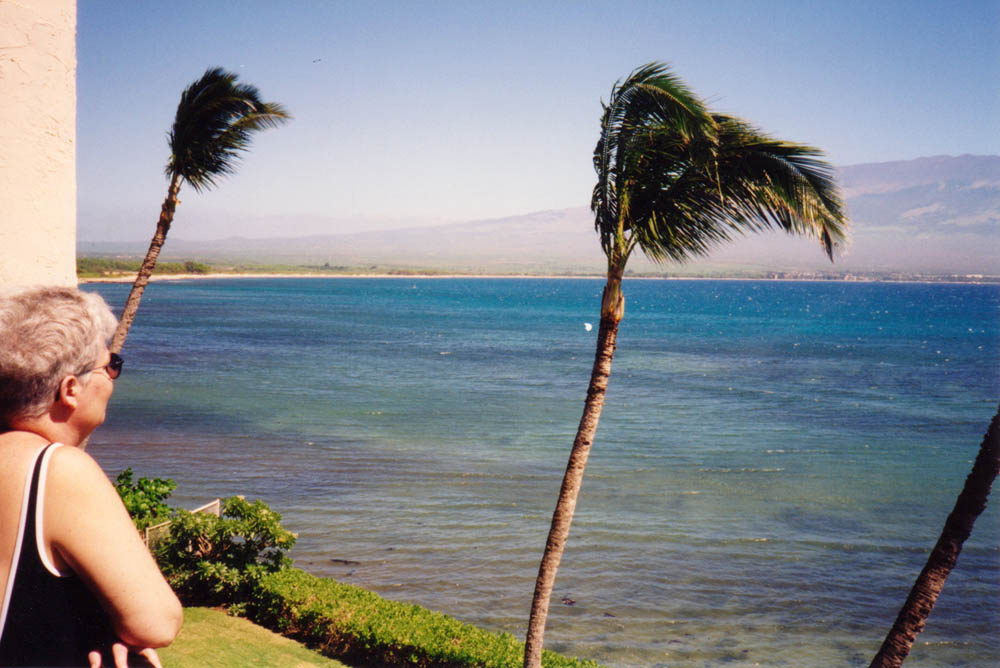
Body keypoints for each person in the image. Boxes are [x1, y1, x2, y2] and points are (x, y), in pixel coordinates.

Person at [0, 286, 182, 667]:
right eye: (111, 364)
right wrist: (104, 623)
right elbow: (157, 624)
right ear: (70, 389)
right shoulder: (55, 469)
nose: (113, 376)